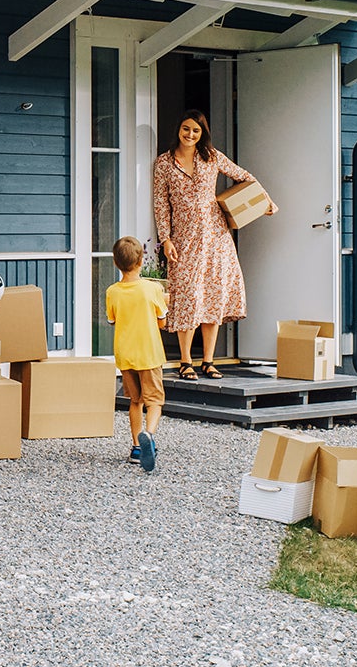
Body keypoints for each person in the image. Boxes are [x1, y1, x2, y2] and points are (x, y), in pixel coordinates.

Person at [151, 109, 275, 382]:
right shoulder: (164, 163)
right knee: (187, 298)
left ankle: (208, 361)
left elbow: (245, 176)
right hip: (184, 239)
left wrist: (262, 202)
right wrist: (166, 239)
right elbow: (161, 203)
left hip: (216, 238)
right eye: (186, 129)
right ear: (179, 129)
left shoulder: (212, 156)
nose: (190, 134)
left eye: (196, 131)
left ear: (202, 133)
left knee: (212, 297)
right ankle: (185, 362)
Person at [105, 235, 169, 474]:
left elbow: (112, 320)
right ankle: (149, 435)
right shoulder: (153, 289)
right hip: (149, 354)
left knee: (135, 401)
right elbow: (162, 323)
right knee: (155, 401)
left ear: (115, 263)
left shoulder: (112, 292)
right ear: (141, 261)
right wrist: (164, 303)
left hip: (126, 355)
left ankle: (136, 448)